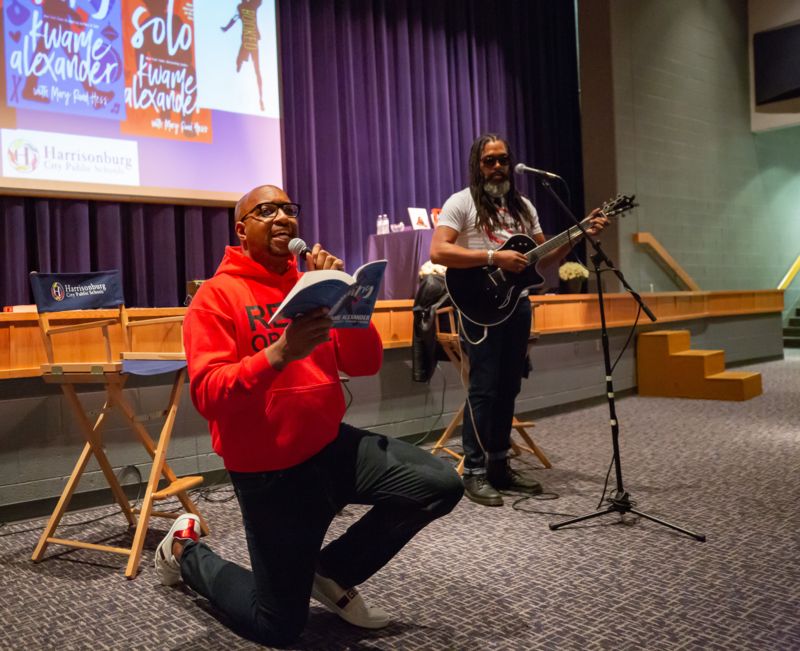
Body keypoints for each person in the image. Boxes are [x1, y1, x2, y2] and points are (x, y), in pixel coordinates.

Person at [155, 184, 463, 646]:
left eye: (287, 208)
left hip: (330, 448)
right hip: (270, 475)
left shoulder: (311, 288)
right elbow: (209, 394)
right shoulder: (216, 297)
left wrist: (350, 305)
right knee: (278, 625)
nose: (282, 216)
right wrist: (279, 353)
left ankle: (331, 571)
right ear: (242, 230)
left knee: (440, 485)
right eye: (267, 210)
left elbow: (363, 365)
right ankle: (184, 551)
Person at [430, 133, 608, 507]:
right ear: (477, 166)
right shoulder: (460, 203)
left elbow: (545, 256)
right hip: (479, 306)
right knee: (484, 389)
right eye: (489, 161)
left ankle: (499, 466)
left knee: (509, 387)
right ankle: (474, 472)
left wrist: (579, 233)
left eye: (503, 160)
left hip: (517, 305)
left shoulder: (524, 207)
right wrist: (494, 259)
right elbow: (439, 249)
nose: (497, 168)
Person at [221, 0, 265, 111]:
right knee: (242, 63)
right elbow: (234, 19)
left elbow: (234, 19)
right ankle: (239, 62)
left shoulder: (252, 4)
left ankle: (261, 99)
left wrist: (227, 27)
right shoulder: (241, 7)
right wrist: (226, 27)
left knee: (257, 70)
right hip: (247, 41)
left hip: (252, 41)